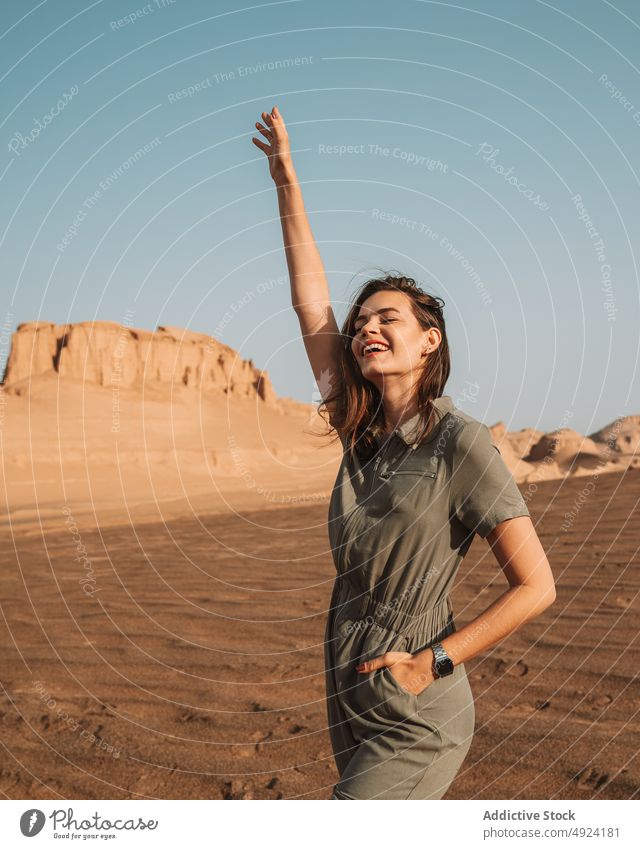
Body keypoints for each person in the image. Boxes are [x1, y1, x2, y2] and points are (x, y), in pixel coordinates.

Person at [252, 106, 557, 800]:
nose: (366, 329)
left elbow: (538, 587)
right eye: (361, 323)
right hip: (348, 691)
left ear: (430, 341)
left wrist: (432, 662)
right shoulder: (359, 431)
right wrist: (286, 182)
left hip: (417, 712)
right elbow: (312, 307)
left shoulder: (460, 443)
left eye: (387, 318)